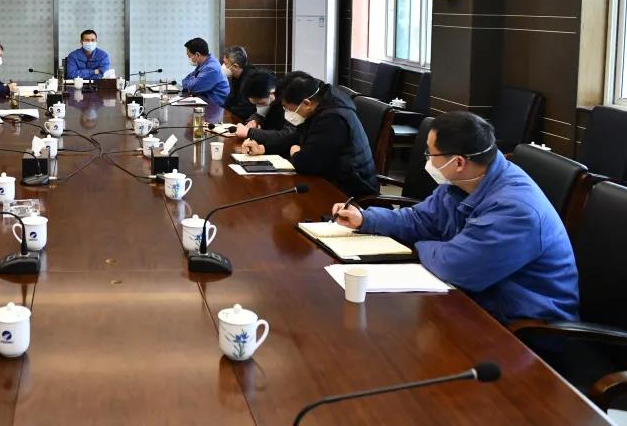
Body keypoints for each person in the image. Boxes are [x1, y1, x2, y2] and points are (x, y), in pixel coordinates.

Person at [332, 111, 579, 324]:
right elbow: (420, 220)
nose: (427, 160)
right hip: (477, 302)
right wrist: (366, 219)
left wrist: (421, 246)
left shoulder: (516, 210)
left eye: (430, 154)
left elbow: (456, 267)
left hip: (524, 326)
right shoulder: (462, 182)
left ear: (458, 162)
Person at [240, 73, 378, 197]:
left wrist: (296, 153)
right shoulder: (320, 103)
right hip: (329, 179)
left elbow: (306, 164)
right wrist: (263, 148)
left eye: (286, 108)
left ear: (306, 103)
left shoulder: (333, 119)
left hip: (349, 191)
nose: (286, 112)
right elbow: (296, 136)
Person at [181, 37, 230, 107]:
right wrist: (193, 81)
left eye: (189, 56)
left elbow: (193, 88)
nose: (189, 58)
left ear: (197, 55)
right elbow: (184, 81)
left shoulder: (211, 68)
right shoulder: (203, 64)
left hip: (216, 107)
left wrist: (193, 80)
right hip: (205, 102)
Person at [220, 45, 259, 121]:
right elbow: (230, 99)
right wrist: (221, 109)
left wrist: (228, 110)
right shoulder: (236, 76)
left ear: (235, 66)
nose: (223, 66)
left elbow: (245, 110)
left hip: (251, 121)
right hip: (238, 116)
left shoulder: (250, 78)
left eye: (225, 63)